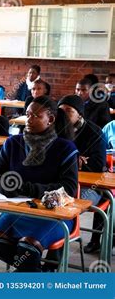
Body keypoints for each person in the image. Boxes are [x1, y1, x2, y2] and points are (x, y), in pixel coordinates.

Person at [0, 95, 78, 272]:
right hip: (19, 209)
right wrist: (1, 184)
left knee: (28, 249)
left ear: (50, 119)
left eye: (35, 116)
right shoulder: (13, 143)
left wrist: (29, 189)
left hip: (54, 214)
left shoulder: (65, 148)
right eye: (27, 114)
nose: (28, 119)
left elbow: (69, 189)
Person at [57, 95, 106, 255]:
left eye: (69, 111)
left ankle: (55, 256)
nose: (64, 115)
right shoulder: (55, 130)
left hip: (91, 185)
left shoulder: (94, 131)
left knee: (67, 206)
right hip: (62, 182)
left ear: (80, 114)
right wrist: (76, 160)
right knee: (43, 203)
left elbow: (98, 165)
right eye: (61, 111)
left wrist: (75, 161)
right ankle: (40, 245)